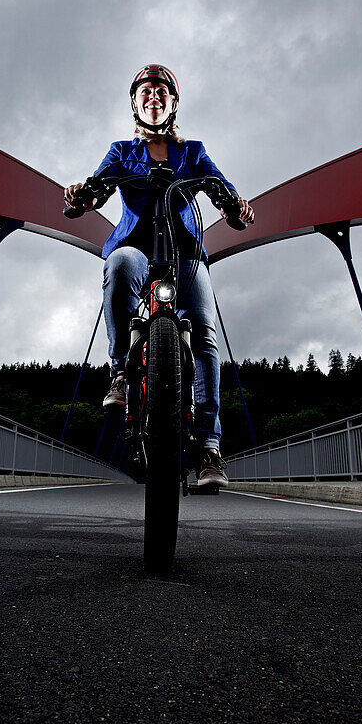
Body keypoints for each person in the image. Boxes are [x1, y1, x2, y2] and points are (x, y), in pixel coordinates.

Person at [64, 64, 254, 487]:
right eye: (146, 91)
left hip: (185, 255)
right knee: (117, 267)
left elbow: (220, 187)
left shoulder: (193, 152)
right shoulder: (120, 152)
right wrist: (82, 197)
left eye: (161, 92)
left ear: (172, 103)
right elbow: (97, 188)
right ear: (135, 103)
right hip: (135, 247)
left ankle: (209, 449)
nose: (154, 97)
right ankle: (119, 370)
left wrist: (233, 206)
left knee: (204, 333)